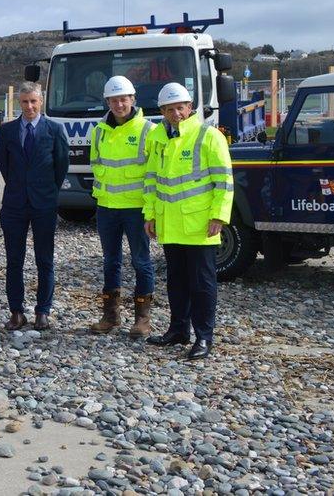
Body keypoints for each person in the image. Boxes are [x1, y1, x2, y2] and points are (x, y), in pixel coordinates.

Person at [144, 83, 233, 360]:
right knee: (177, 281)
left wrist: (219, 215)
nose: (176, 114)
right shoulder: (157, 137)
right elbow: (152, 182)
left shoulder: (209, 136)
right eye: (169, 109)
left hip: (199, 225)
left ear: (189, 107)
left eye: (180, 108)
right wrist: (150, 215)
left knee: (202, 284)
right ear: (161, 111)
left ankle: (204, 337)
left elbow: (224, 181)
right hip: (170, 224)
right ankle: (178, 330)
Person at [88, 76, 160, 337]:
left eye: (123, 99)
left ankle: (142, 319)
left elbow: (154, 175)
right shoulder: (98, 132)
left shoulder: (148, 131)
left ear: (133, 100)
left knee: (141, 262)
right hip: (107, 208)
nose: (119, 104)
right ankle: (111, 316)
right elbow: (96, 165)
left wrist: (151, 211)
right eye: (114, 100)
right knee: (111, 261)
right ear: (107, 101)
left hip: (136, 209)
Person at [0, 82, 69, 331]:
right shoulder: (7, 131)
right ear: (20, 103)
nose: (29, 106)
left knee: (44, 260)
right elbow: (4, 166)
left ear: (41, 102)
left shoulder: (55, 130)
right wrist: (21, 187)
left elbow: (61, 167)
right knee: (14, 260)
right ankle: (16, 312)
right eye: (25, 102)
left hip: (44, 204)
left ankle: (42, 312)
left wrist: (45, 190)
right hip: (15, 204)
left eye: (33, 102)